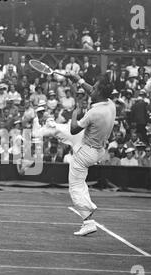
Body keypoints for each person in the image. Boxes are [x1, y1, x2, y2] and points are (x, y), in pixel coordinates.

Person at [37, 73, 115, 236]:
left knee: (76, 187)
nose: (91, 89)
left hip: (85, 152)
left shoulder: (94, 113)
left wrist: (75, 112)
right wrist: (78, 79)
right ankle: (49, 128)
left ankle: (88, 222)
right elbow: (92, 91)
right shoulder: (110, 104)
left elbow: (74, 128)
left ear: (99, 92)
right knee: (61, 129)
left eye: (94, 88)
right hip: (96, 147)